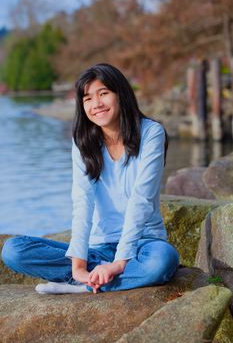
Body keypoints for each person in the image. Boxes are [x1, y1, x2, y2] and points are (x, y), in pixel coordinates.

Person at [1, 63, 179, 295]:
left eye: (103, 93)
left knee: (162, 262)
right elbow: (82, 201)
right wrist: (79, 266)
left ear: (121, 94)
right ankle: (89, 279)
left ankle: (85, 287)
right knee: (13, 250)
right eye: (87, 98)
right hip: (99, 248)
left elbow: (141, 199)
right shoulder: (84, 141)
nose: (96, 104)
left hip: (143, 244)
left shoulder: (151, 133)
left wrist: (118, 263)